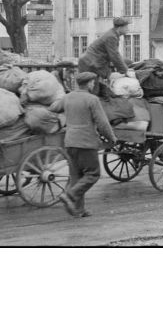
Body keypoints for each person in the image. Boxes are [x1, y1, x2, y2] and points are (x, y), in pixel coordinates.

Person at [50, 72, 117, 218]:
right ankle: (70, 195)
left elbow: (53, 107)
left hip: (69, 142)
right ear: (88, 84)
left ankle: (79, 210)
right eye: (93, 82)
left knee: (76, 176)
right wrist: (111, 138)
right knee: (93, 174)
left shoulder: (68, 97)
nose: (93, 85)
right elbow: (102, 123)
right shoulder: (92, 99)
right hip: (86, 142)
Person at [77, 17, 134, 97]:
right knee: (91, 90)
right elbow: (114, 56)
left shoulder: (113, 35)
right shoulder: (111, 37)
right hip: (89, 63)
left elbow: (115, 55)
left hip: (92, 62)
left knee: (96, 90)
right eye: (126, 27)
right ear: (120, 28)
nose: (128, 29)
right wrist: (125, 71)